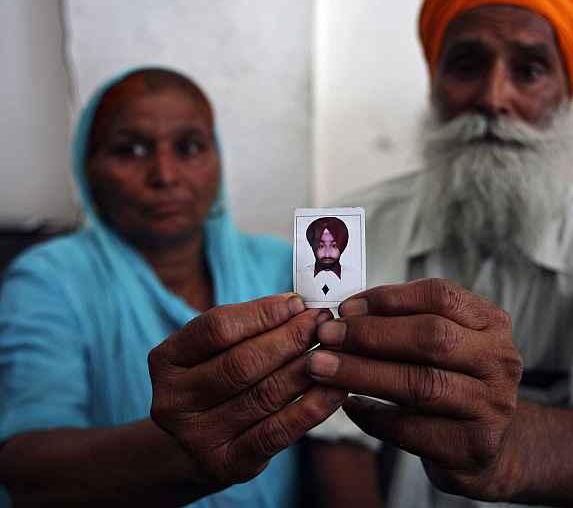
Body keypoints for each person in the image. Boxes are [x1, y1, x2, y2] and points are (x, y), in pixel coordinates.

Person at [306, 0, 573, 507]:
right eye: (468, 65)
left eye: (528, 70)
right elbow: (333, 439)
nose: (494, 97)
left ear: (563, 96)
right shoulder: (343, 234)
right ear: (434, 83)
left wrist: (509, 449)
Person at [0, 67, 346, 506]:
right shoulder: (49, 279)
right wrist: (180, 453)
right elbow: (27, 469)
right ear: (87, 168)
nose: (164, 174)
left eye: (189, 147)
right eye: (131, 149)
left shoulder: (281, 266)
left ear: (217, 160)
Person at [297, 217, 358, 304]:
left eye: (334, 246)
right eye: (321, 246)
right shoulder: (301, 276)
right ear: (313, 246)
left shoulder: (354, 277)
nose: (327, 254)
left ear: (343, 245)